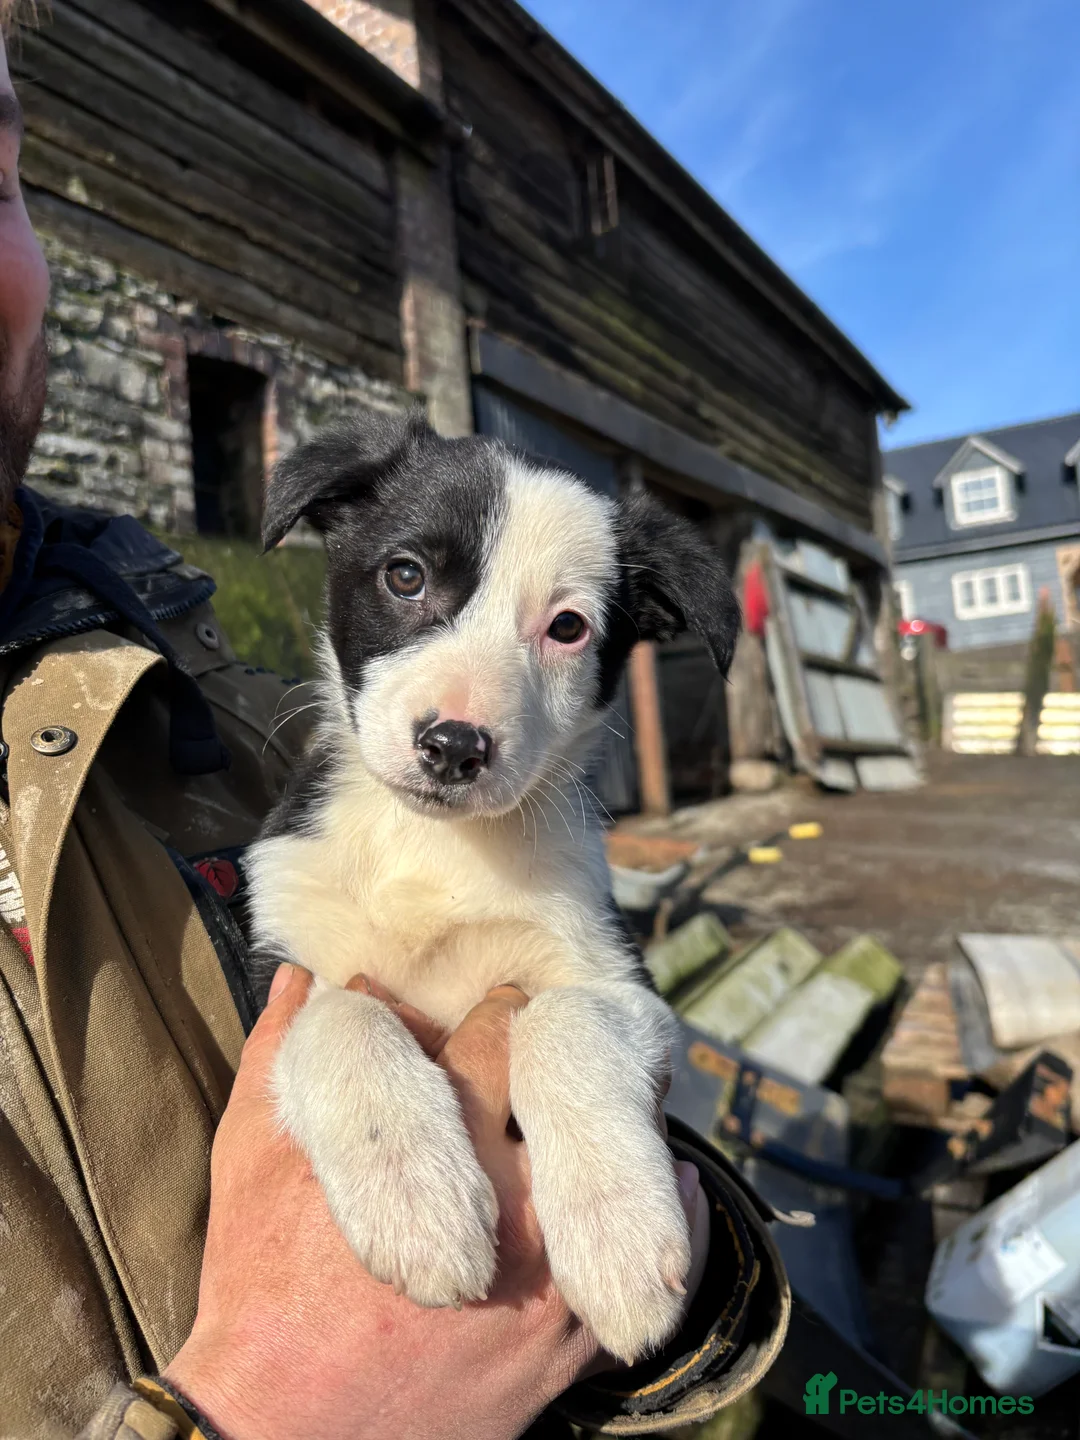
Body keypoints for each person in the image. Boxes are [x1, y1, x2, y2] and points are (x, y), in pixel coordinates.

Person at [0, 5, 787, 1437]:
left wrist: (599, 1100)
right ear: (342, 541)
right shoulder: (288, 819)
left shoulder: (185, 727)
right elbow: (313, 1023)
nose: (462, 712)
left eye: (560, 632)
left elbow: (605, 1030)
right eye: (416, 582)